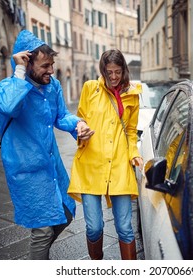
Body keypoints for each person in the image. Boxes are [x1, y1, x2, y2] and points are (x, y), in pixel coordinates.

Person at [0, 30, 94, 260]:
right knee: (42, 230)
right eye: (45, 66)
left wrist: (78, 124)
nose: (51, 70)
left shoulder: (53, 86)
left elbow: (61, 116)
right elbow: (8, 107)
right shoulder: (7, 88)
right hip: (26, 169)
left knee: (66, 212)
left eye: (52, 65)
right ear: (27, 64)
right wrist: (19, 70)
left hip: (52, 164)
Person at [68, 49, 143, 260]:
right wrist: (80, 131)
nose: (113, 77)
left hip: (119, 166)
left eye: (117, 71)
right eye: (109, 72)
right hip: (91, 164)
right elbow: (80, 119)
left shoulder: (132, 94)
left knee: (125, 228)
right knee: (93, 227)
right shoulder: (90, 88)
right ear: (103, 70)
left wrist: (134, 153)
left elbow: (130, 131)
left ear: (124, 70)